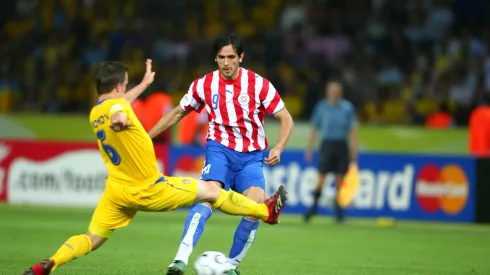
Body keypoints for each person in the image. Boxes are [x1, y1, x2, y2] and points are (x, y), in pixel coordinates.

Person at [23, 60, 288, 275]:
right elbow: (119, 110)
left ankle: (52, 262)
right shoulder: (118, 110)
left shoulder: (96, 111)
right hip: (149, 187)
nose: (127, 90)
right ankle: (264, 211)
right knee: (210, 191)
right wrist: (120, 121)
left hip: (116, 192)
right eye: (126, 84)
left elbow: (116, 102)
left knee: (91, 239)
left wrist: (144, 84)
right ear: (119, 85)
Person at [148, 34, 294, 275]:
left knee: (255, 203)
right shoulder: (204, 85)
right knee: (208, 195)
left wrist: (278, 147)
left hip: (251, 156)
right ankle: (179, 260)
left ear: (241, 57)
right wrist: (146, 137)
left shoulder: (258, 84)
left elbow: (286, 117)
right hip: (220, 150)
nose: (226, 63)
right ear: (215, 58)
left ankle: (230, 266)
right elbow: (177, 113)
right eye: (221, 57)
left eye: (231, 57)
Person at [304, 80, 358, 223]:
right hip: (327, 145)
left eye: (337, 90)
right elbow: (314, 129)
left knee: (340, 179)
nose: (334, 93)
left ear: (341, 92)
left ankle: (339, 211)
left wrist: (354, 151)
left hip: (341, 145)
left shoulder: (347, 108)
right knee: (321, 178)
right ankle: (313, 207)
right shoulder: (321, 107)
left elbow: (352, 131)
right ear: (328, 92)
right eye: (332, 90)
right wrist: (309, 149)